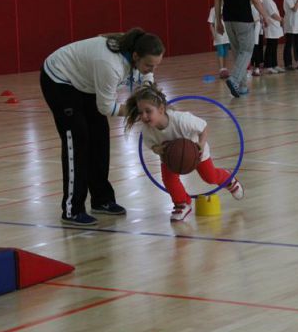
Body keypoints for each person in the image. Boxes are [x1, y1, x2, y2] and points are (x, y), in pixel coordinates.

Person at [40, 29, 164, 226]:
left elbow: (146, 81)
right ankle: (72, 209)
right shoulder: (110, 64)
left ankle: (102, 200)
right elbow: (106, 107)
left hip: (85, 81)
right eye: (149, 65)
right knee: (78, 137)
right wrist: (139, 112)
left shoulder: (139, 56)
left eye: (155, 65)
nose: (151, 69)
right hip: (59, 78)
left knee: (99, 136)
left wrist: (151, 99)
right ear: (135, 56)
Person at [124, 84, 244, 221]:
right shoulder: (147, 131)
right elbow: (152, 146)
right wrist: (159, 150)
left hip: (196, 152)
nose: (144, 116)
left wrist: (201, 144)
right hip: (169, 157)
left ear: (161, 109)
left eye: (148, 111)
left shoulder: (181, 120)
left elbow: (203, 127)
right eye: (140, 113)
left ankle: (229, 180)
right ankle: (182, 203)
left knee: (210, 177)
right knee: (169, 180)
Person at [215, 0, 270, 97]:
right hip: (244, 19)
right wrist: (265, 16)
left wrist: (218, 21)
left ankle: (242, 86)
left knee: (239, 53)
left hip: (228, 19)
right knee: (246, 51)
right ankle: (234, 80)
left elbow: (217, 1)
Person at [260, 0, 285, 74]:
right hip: (271, 27)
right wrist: (281, 19)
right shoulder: (266, 1)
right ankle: (268, 65)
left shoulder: (269, 0)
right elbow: (273, 14)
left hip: (275, 27)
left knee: (274, 46)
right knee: (270, 46)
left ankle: (274, 64)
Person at [207, 6, 230, 79]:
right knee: (221, 51)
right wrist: (213, 33)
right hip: (219, 33)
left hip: (227, 33)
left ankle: (225, 68)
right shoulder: (213, 9)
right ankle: (221, 69)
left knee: (226, 51)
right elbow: (211, 23)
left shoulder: (227, 7)